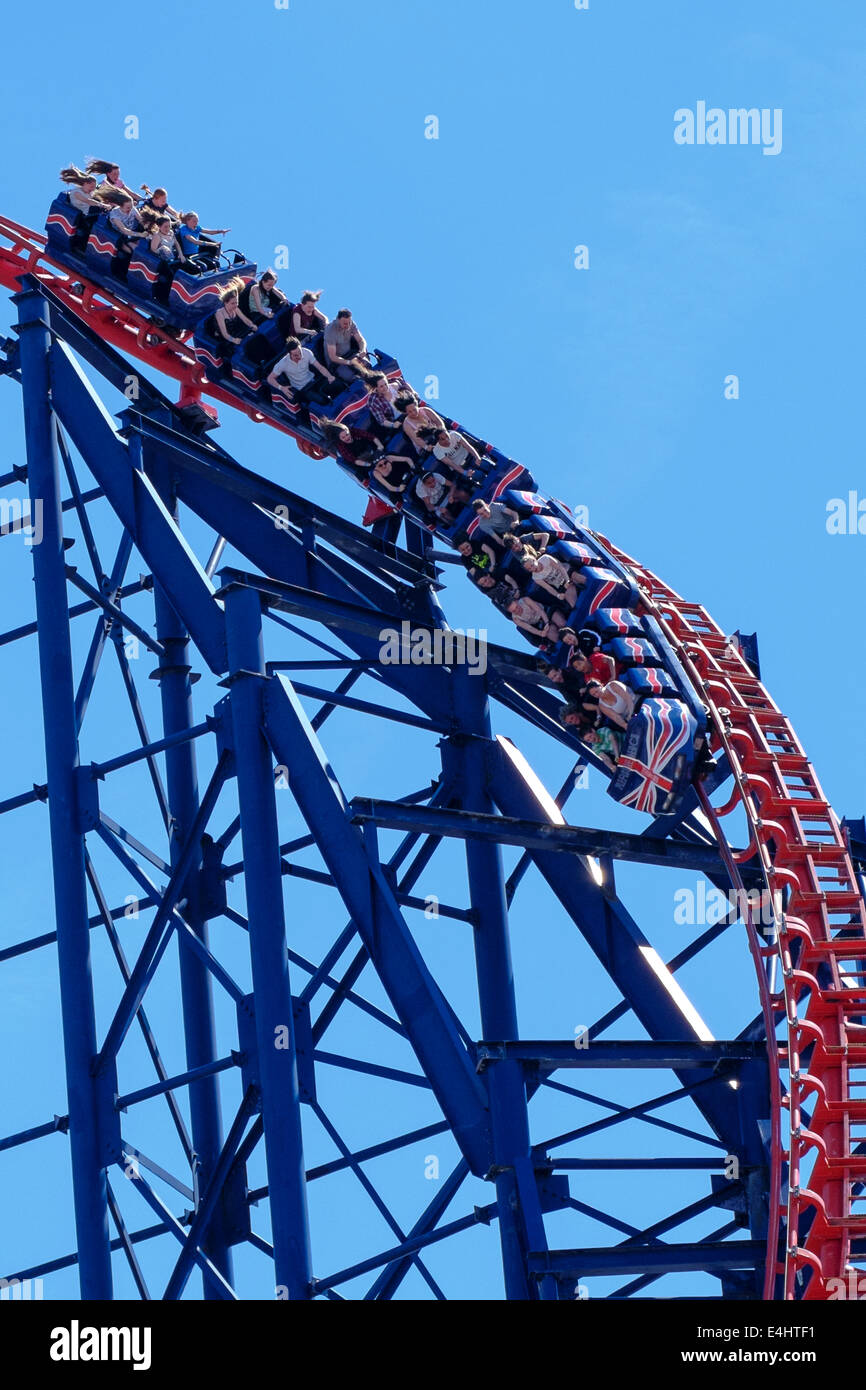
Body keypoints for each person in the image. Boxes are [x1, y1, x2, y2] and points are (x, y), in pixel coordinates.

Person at [267, 336, 339, 409]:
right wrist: (281, 388)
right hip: (303, 389)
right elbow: (270, 378)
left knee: (337, 385)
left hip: (314, 381)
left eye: (300, 352)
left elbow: (320, 367)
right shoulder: (282, 363)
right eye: (295, 355)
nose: (300, 356)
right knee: (322, 401)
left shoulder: (306, 352)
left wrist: (329, 376)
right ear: (289, 354)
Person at [317, 418, 386, 479]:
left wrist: (380, 447)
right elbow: (354, 460)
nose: (347, 438)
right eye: (343, 437)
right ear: (340, 439)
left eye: (347, 434)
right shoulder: (341, 446)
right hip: (360, 459)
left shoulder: (353, 431)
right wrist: (370, 464)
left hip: (368, 449)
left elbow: (370, 436)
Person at [211, 280, 257, 354]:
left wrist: (252, 325)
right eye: (233, 303)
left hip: (236, 332)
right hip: (225, 338)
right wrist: (233, 340)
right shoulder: (220, 314)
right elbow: (224, 334)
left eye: (237, 302)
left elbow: (245, 320)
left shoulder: (236, 308)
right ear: (226, 303)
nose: (235, 305)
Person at [324, 308, 369, 382]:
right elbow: (333, 357)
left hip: (351, 354)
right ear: (338, 320)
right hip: (337, 363)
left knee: (367, 365)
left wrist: (362, 350)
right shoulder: (330, 331)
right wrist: (349, 362)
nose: (348, 326)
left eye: (349, 323)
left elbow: (360, 340)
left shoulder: (351, 324)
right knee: (353, 378)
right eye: (345, 323)